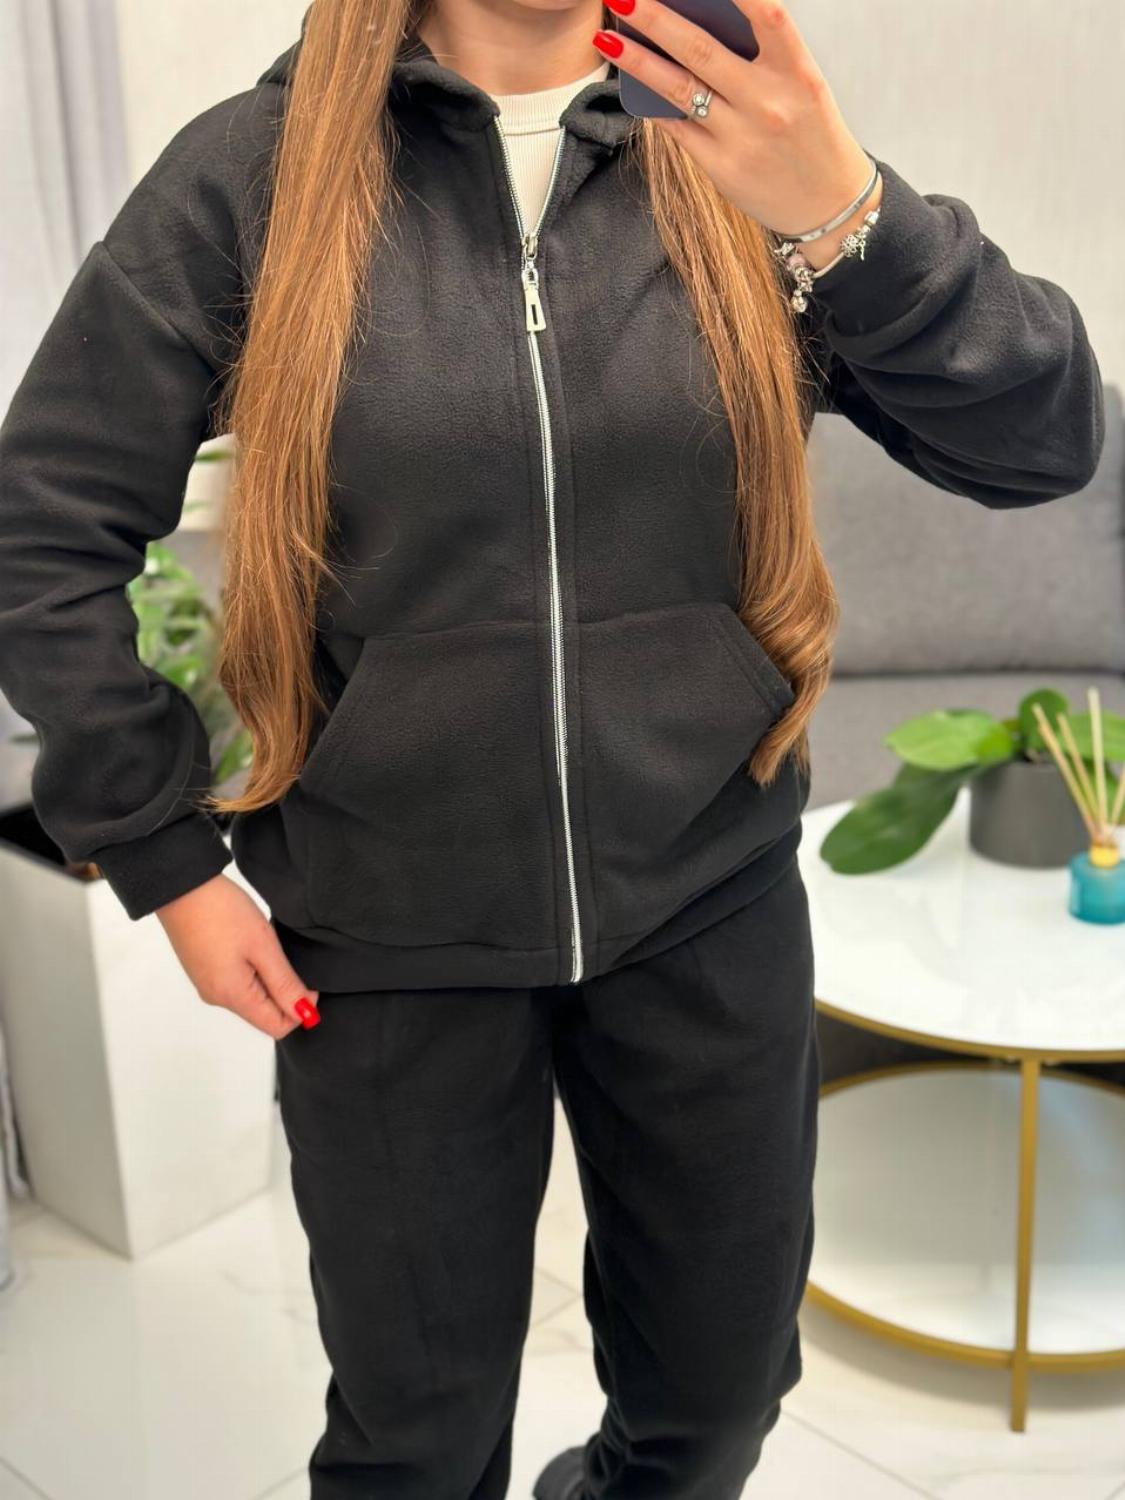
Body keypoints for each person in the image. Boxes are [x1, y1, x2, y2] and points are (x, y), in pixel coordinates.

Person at [0, 0, 1104, 1493]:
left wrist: (843, 211)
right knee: (415, 1444)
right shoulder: (252, 175)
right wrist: (165, 857)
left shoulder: (737, 145)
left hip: (707, 903)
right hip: (386, 937)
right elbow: (40, 532)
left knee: (712, 1413)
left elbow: (1044, 445)